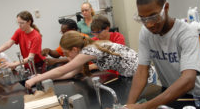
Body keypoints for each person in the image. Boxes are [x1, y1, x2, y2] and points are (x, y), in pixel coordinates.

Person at [115, 0, 200, 109]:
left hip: (198, 98)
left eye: (154, 17)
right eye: (143, 19)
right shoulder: (145, 33)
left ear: (166, 7)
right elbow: (142, 71)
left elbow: (188, 81)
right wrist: (128, 107)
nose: (149, 24)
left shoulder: (186, 33)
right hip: (171, 95)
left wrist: (146, 108)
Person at [25, 31, 155, 88]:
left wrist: (37, 79)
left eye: (66, 53)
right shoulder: (86, 49)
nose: (66, 57)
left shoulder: (89, 51)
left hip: (143, 75)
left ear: (75, 49)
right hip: (130, 75)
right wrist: (45, 78)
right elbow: (71, 73)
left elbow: (63, 70)